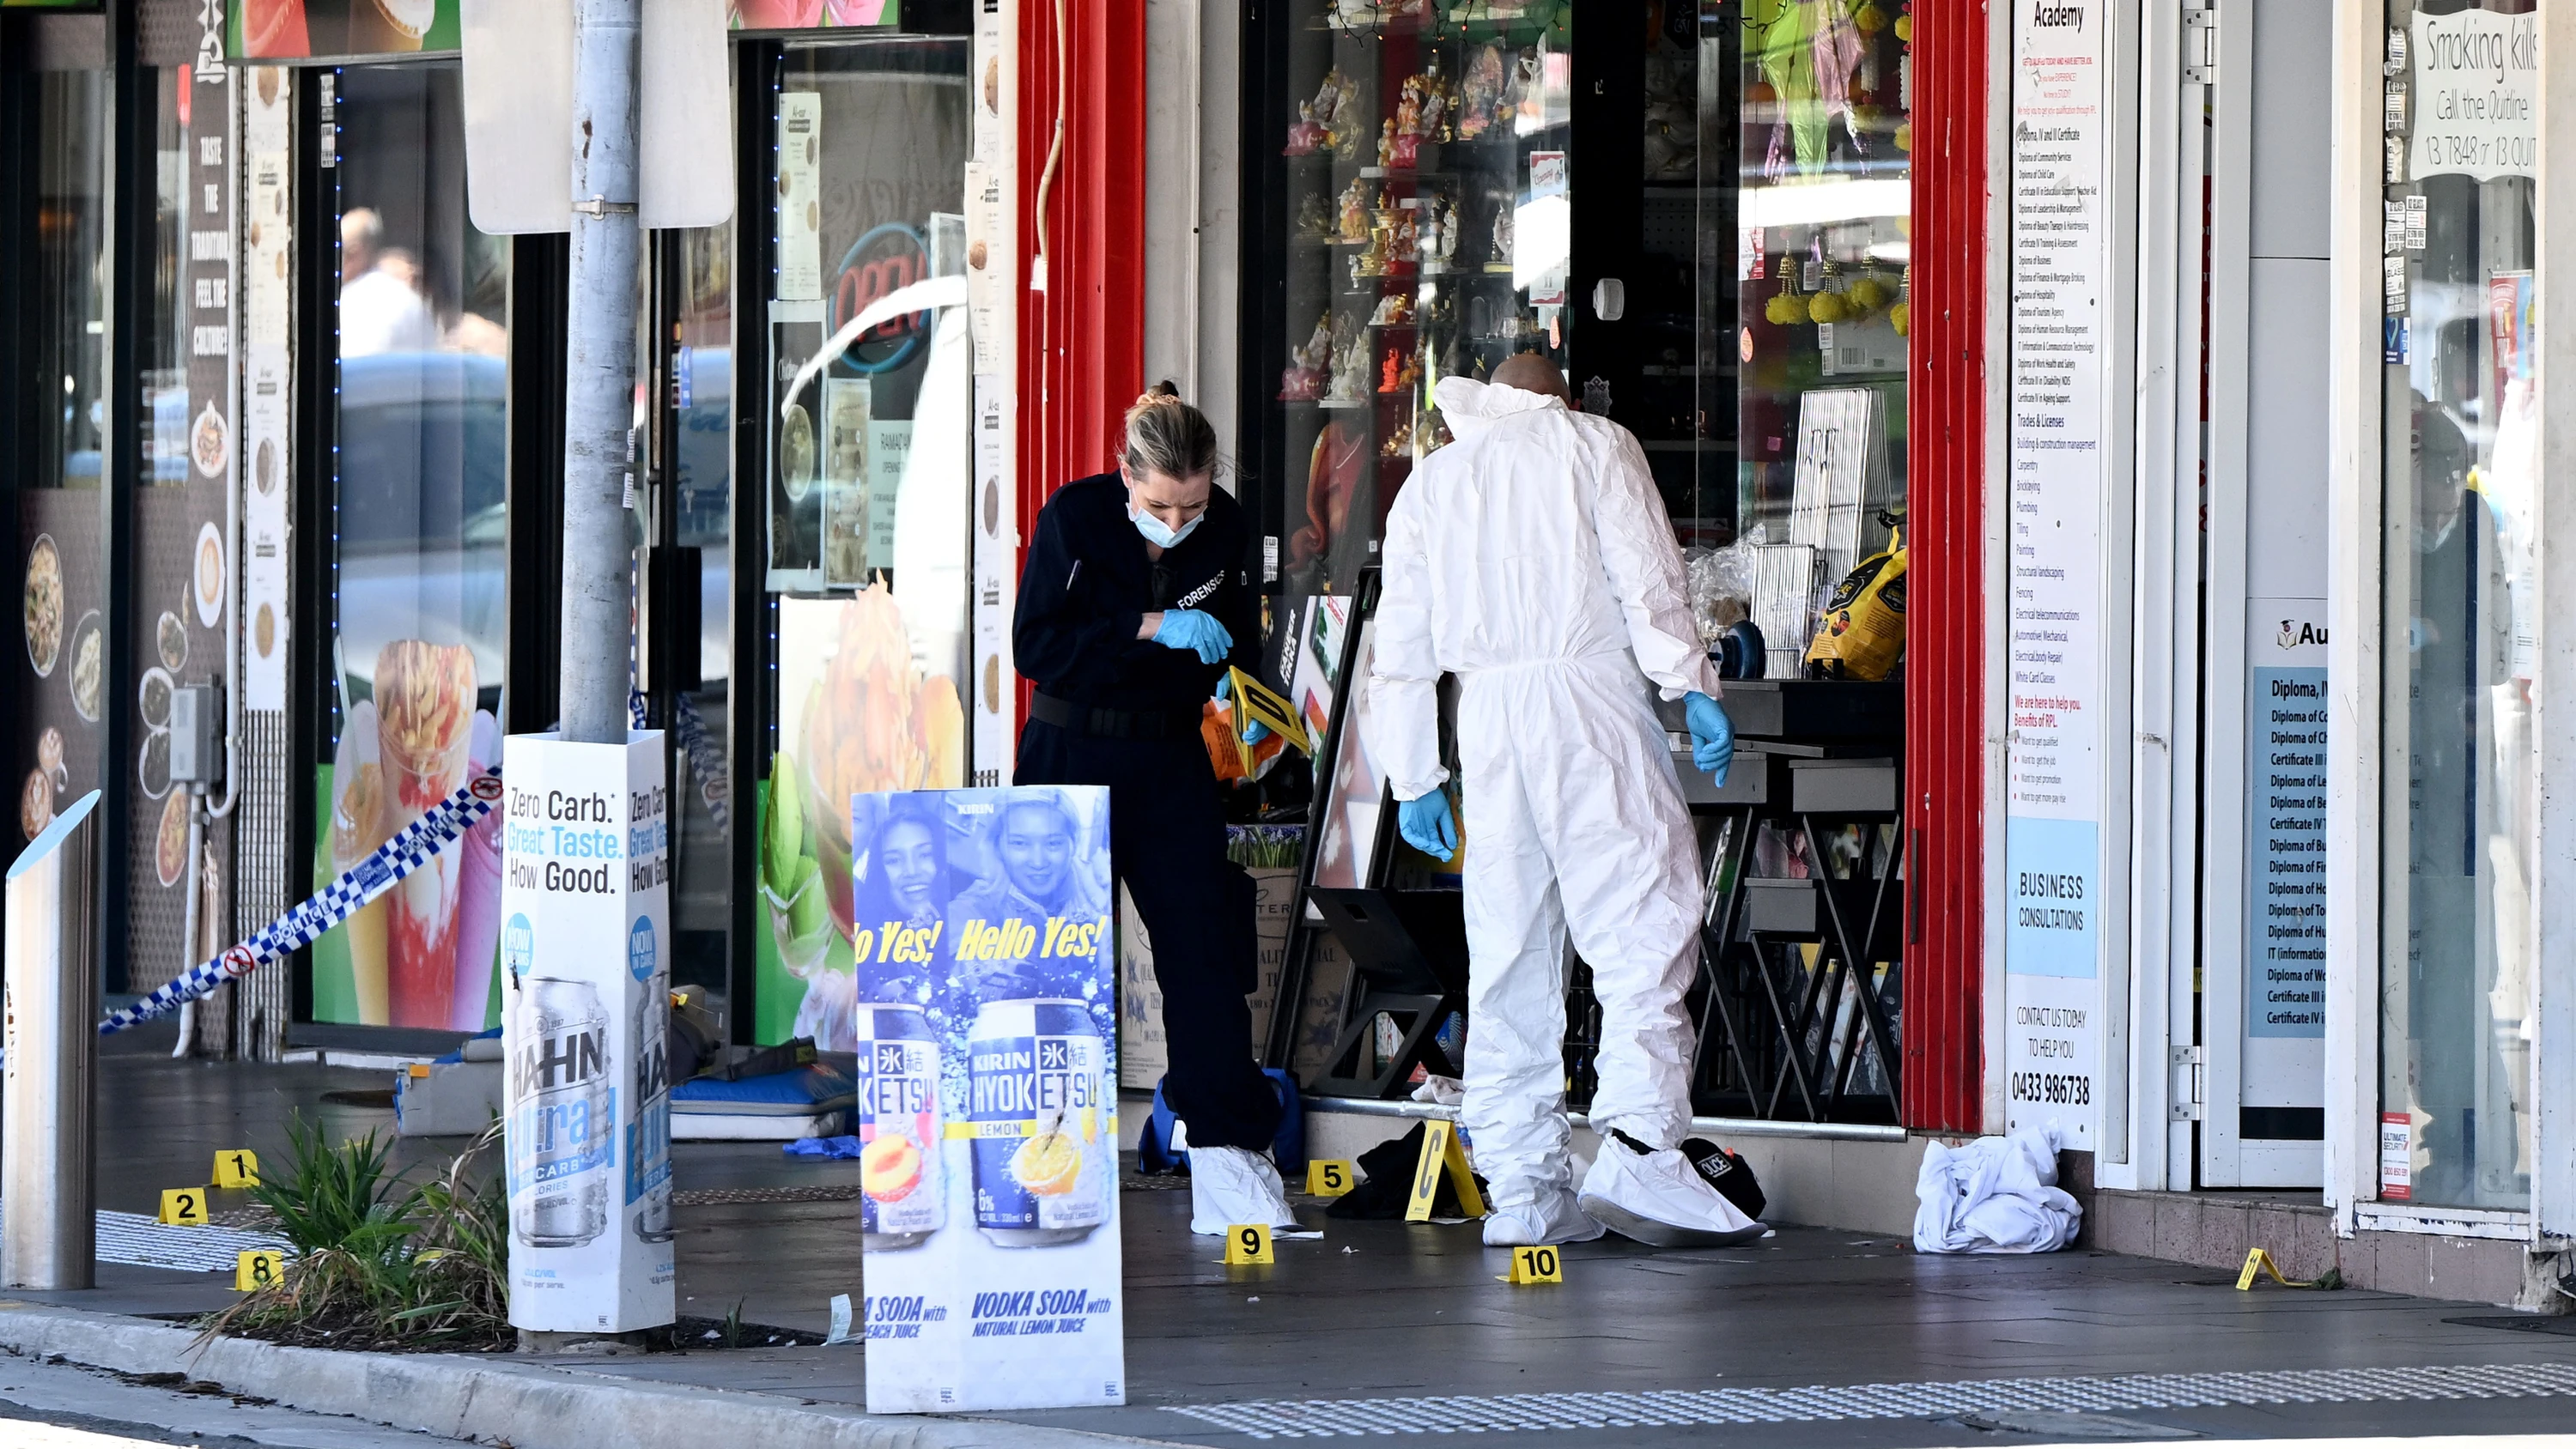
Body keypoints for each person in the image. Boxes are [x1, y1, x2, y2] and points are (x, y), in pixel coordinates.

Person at [1364, 353, 1762, 1249]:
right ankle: (1634, 1141)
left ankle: (1525, 1193)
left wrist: (1416, 774)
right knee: (1643, 923)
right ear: (1566, 397)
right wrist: (1692, 683)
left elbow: (1404, 647)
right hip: (1589, 705)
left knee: (1508, 959)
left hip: (1489, 722)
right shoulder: (1595, 445)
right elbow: (1648, 578)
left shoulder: (1433, 482)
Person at [1012, 385, 1295, 1237]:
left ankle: (1230, 1160)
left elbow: (1240, 635)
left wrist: (1247, 696)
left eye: (1194, 502)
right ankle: (1045, 1157)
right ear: (1125, 474)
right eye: (1160, 502)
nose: (1178, 517)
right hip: (1071, 752)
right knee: (1059, 963)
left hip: (1172, 754)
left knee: (1204, 955)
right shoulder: (1076, 518)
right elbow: (1037, 644)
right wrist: (1147, 625)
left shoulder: (1228, 527)